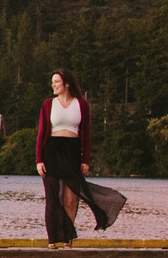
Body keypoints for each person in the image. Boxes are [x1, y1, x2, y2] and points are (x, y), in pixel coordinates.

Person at [35, 68, 122, 245]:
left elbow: (86, 134)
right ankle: (52, 240)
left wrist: (85, 160)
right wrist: (39, 160)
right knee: (53, 198)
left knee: (71, 198)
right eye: (52, 82)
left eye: (56, 81)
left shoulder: (81, 104)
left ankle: (68, 238)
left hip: (72, 152)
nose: (53, 85)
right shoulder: (48, 104)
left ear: (67, 83)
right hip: (52, 150)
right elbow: (41, 132)